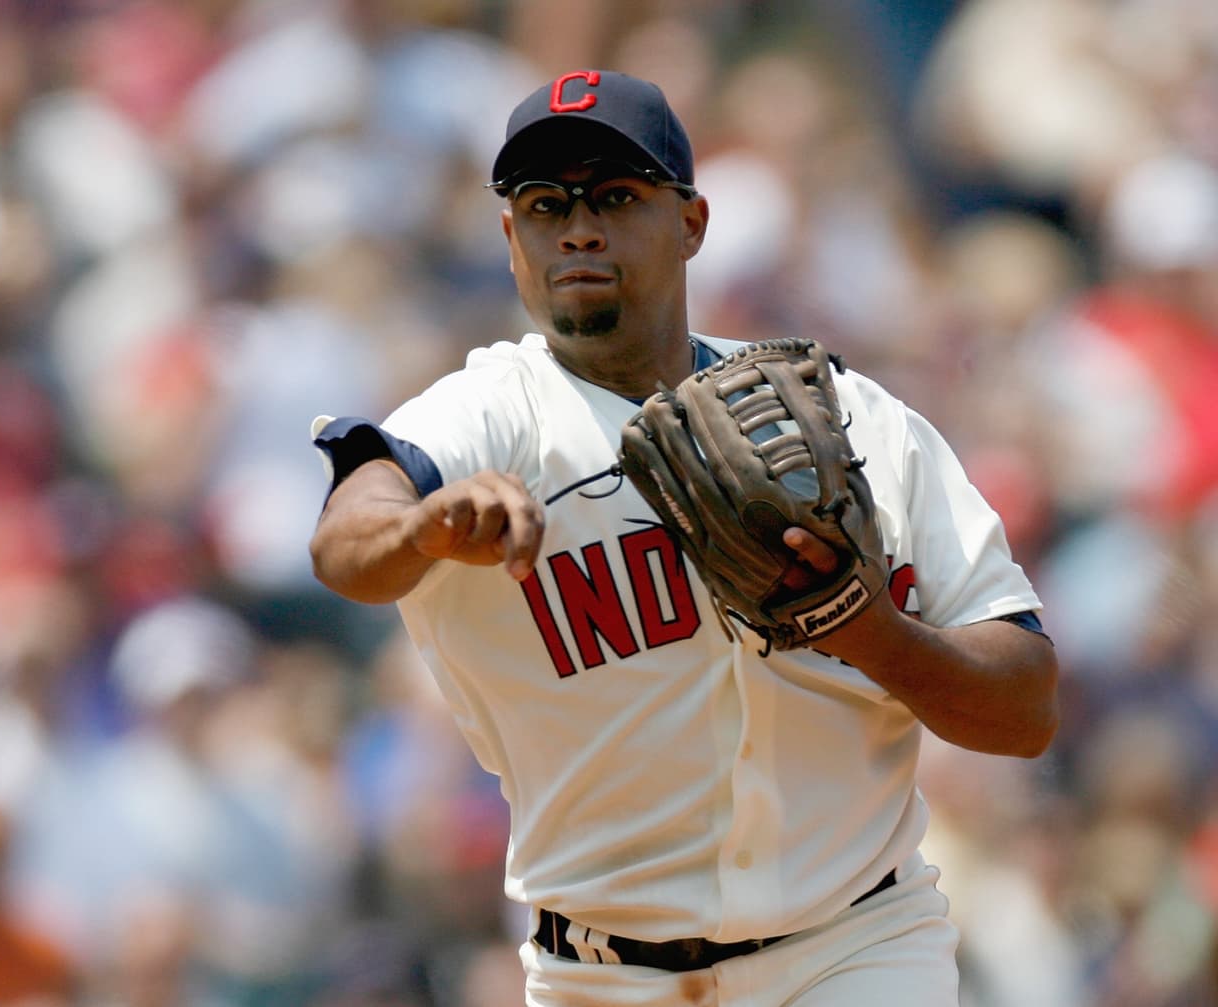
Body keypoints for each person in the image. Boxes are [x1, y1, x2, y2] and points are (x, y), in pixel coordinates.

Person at [308, 69, 1059, 1007]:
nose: (578, 227)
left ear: (692, 224)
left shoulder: (852, 424)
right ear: (511, 240)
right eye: (545, 205)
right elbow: (345, 542)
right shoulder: (485, 417)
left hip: (857, 943)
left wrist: (864, 630)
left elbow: (1025, 709)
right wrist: (419, 525)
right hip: (604, 976)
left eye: (615, 197)